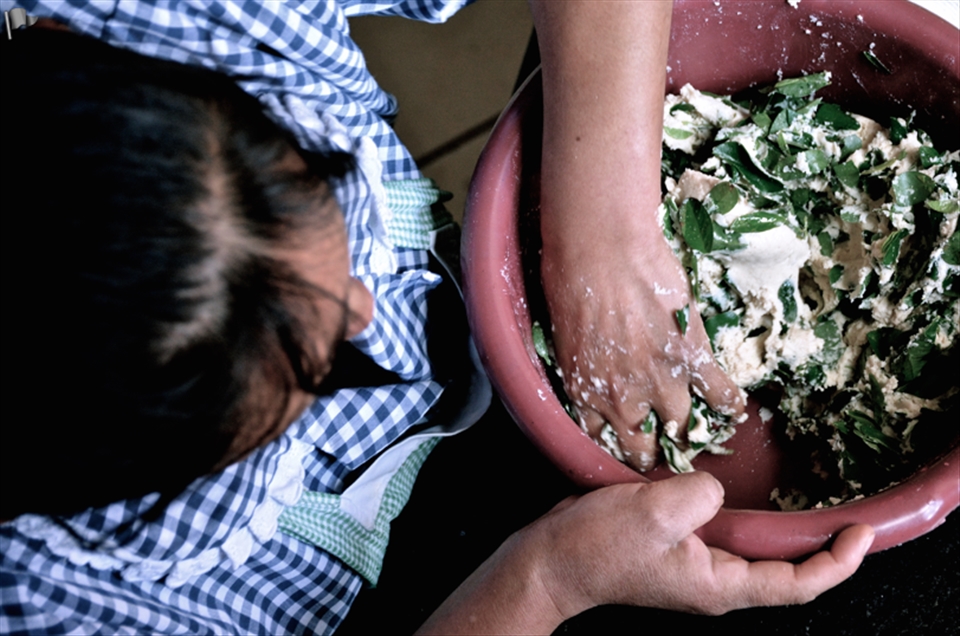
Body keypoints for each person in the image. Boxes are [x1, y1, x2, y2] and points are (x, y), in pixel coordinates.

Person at [0, 1, 873, 634]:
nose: (367, 307)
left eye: (311, 181)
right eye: (308, 368)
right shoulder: (48, 606)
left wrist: (602, 228)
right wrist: (546, 583)